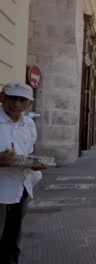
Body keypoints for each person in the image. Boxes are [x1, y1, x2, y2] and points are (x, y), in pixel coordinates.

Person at [0, 82, 44, 264]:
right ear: (2, 97)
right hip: (1, 189)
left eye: (22, 99)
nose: (17, 103)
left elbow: (29, 151)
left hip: (22, 186)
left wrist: (35, 162)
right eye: (13, 98)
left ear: (28, 103)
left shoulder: (29, 124)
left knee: (13, 235)